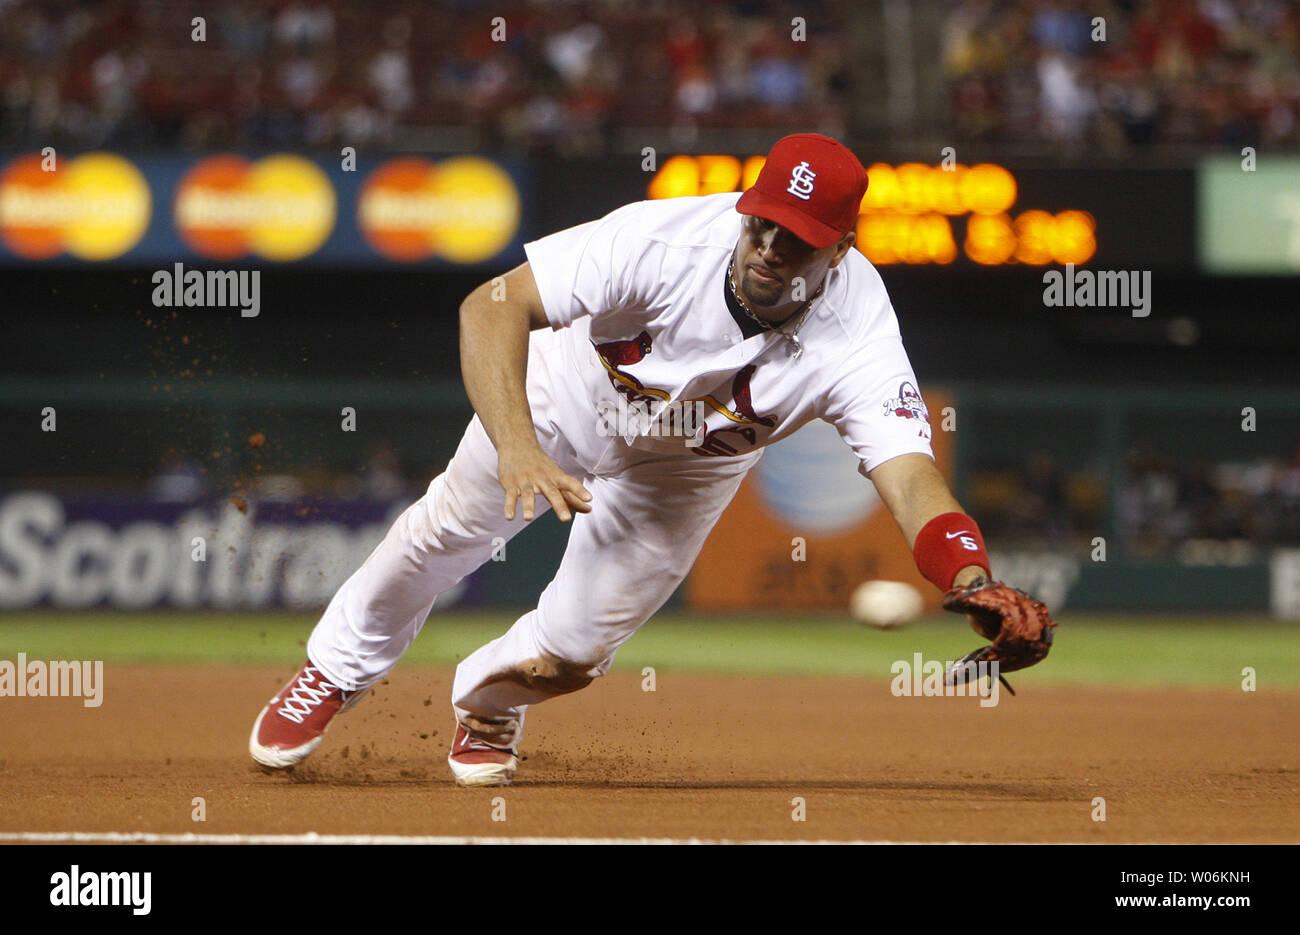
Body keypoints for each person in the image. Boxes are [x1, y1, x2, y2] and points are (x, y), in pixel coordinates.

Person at [249, 133, 1054, 786]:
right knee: (446, 532)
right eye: (762, 222)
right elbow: (492, 304)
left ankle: (487, 701)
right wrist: (520, 447)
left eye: (799, 239)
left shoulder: (860, 334)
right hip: (566, 393)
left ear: (840, 248)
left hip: (689, 464)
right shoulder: (662, 239)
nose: (770, 247)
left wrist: (970, 579)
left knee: (572, 653)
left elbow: (910, 475)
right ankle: (333, 669)